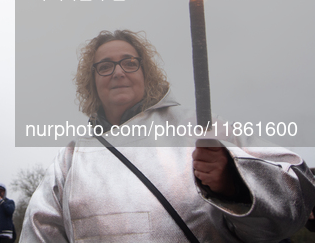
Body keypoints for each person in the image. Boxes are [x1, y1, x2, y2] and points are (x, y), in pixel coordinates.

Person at [20, 29, 315, 242]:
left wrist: (233, 183)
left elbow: (295, 192)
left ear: (145, 73)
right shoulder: (71, 157)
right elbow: (39, 231)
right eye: (105, 66)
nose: (118, 72)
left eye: (129, 62)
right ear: (92, 80)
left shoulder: (199, 127)